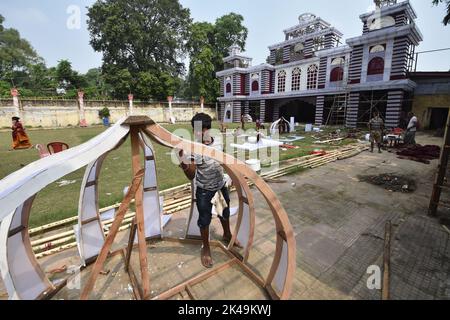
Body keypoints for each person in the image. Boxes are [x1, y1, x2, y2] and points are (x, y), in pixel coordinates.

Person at [177, 113, 241, 268]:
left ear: (208, 130)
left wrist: (230, 177)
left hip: (220, 186)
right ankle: (205, 247)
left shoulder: (218, 143)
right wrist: (184, 162)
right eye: (195, 131)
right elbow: (191, 175)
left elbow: (224, 162)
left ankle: (227, 234)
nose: (197, 134)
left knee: (224, 212)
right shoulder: (194, 149)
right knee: (204, 220)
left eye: (200, 130)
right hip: (204, 191)